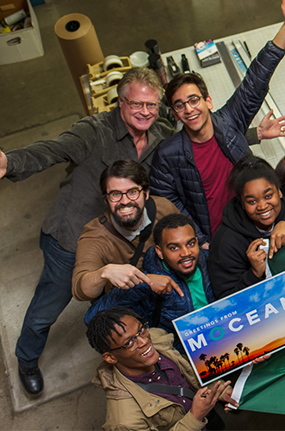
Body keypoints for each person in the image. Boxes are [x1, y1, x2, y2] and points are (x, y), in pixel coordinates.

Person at [0, 65, 172, 395]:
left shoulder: (160, 132)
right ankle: (26, 358)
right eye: (136, 104)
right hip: (71, 239)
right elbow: (53, 149)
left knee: (123, 301)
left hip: (122, 239)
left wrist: (255, 134)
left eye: (151, 104)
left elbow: (195, 140)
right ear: (120, 102)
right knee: (47, 307)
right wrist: (10, 163)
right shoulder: (95, 131)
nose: (144, 112)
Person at [150, 0, 285, 248]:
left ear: (208, 101)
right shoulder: (167, 155)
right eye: (180, 105)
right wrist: (199, 240)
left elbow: (255, 80)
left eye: (194, 100)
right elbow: (168, 206)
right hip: (218, 243)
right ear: (174, 114)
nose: (189, 109)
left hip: (259, 227)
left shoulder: (228, 122)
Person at [87, 306, 234, 431]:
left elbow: (188, 371)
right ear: (110, 357)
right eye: (129, 343)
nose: (144, 341)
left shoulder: (157, 338)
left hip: (208, 419)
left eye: (141, 330)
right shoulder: (124, 421)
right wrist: (195, 416)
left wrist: (218, 389)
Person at [84, 214, 215, 353]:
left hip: (225, 337)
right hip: (184, 355)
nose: (186, 253)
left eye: (190, 243)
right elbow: (92, 319)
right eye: (174, 248)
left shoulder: (212, 261)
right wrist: (145, 282)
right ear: (160, 252)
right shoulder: (149, 286)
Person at [71, 159, 181, 302]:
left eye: (133, 192)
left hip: (175, 292)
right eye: (115, 194)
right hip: (132, 308)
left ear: (146, 194)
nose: (124, 201)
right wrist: (104, 273)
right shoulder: (95, 236)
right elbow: (80, 290)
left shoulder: (163, 209)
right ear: (106, 199)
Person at [209, 155, 285, 298]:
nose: (262, 206)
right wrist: (254, 273)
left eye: (268, 196)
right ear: (242, 203)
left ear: (279, 191)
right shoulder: (225, 241)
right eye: (252, 201)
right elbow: (226, 299)